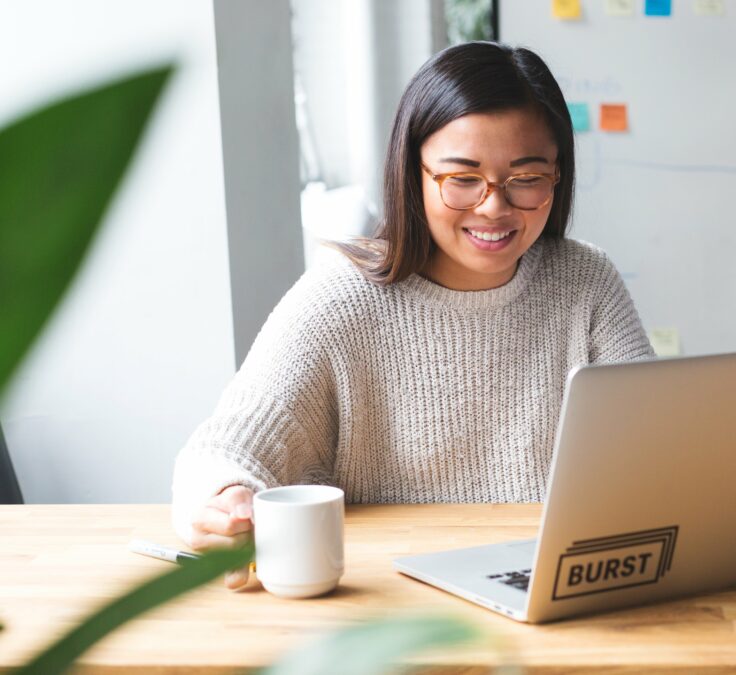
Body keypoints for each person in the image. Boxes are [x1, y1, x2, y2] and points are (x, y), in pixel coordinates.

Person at [171, 41, 654, 589]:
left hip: (548, 588)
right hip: (386, 604)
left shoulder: (586, 282)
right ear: (412, 174)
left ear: (557, 175)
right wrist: (225, 501)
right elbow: (223, 449)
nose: (494, 206)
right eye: (462, 178)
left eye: (526, 178)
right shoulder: (339, 297)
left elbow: (657, 448)